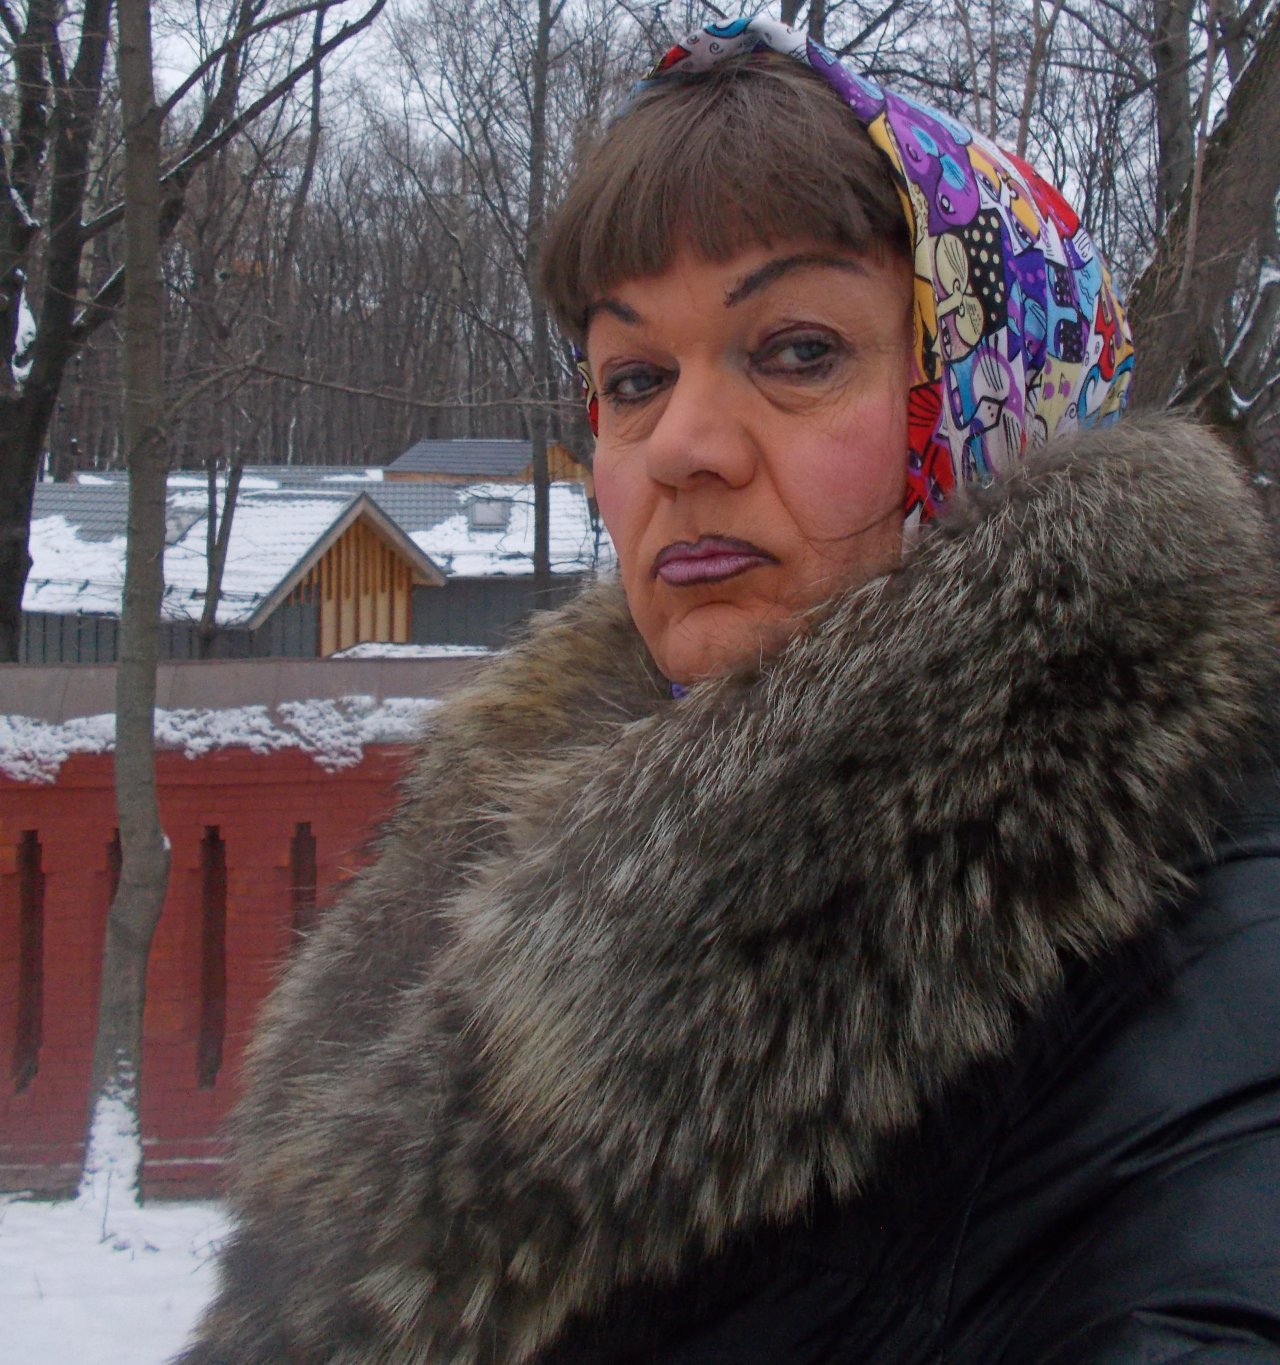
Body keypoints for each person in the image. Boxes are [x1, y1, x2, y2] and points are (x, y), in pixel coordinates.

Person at [180, 17, 1280, 1364]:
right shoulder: (509, 858)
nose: (681, 447)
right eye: (635, 378)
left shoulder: (1204, 953)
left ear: (989, 400)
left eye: (797, 351)